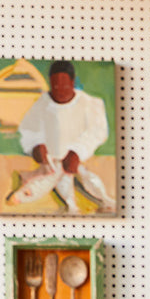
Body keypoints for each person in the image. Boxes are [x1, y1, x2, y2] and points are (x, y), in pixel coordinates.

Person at [17, 61, 112, 210]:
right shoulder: (42, 103)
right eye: (55, 87)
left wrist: (78, 151)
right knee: (61, 190)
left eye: (65, 86)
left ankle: (105, 201)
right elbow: (28, 130)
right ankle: (72, 206)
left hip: (82, 162)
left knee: (90, 182)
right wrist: (35, 145)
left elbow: (98, 132)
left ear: (73, 82)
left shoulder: (91, 103)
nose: (60, 91)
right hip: (53, 165)